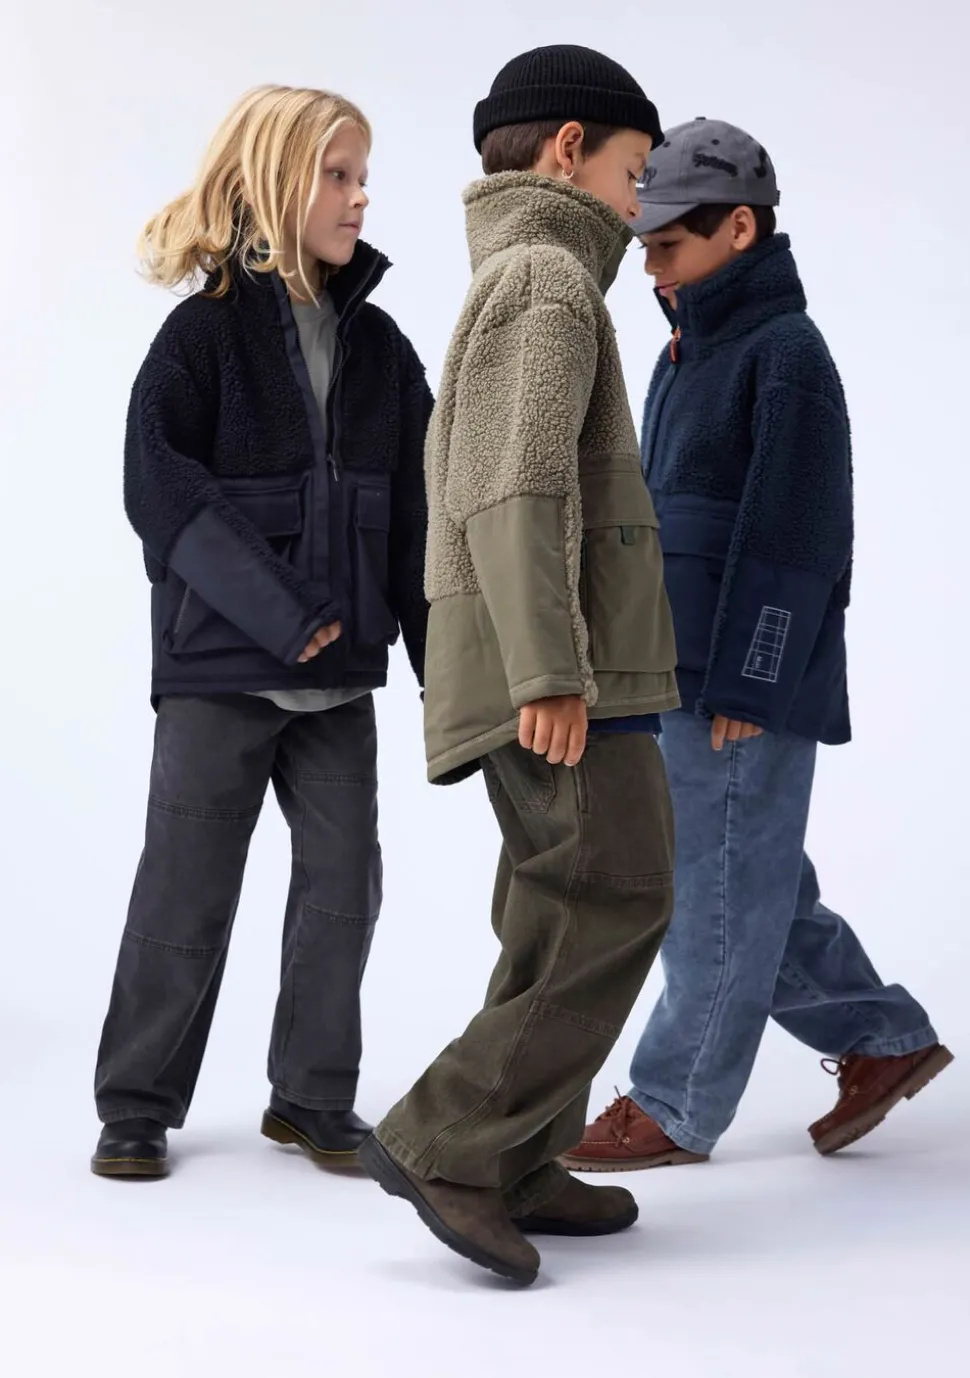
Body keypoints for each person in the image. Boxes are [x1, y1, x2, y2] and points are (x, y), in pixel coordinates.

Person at [564, 119, 952, 1174]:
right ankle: (882, 1036)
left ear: (740, 228)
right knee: (745, 879)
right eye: (644, 246)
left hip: (736, 686)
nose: (650, 268)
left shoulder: (785, 355)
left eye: (668, 246)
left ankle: (675, 1101)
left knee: (712, 891)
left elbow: (800, 537)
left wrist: (753, 681)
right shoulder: (686, 352)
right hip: (677, 672)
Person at [357, 46, 679, 1286]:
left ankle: (519, 1157)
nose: (639, 204)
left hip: (568, 658)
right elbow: (515, 484)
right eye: (633, 172)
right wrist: (551, 670)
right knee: (616, 891)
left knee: (557, 908)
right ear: (566, 150)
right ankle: (447, 1143)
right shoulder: (544, 278)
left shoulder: (532, 277)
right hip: (559, 669)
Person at [91, 85, 431, 1180]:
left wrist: (447, 672)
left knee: (345, 883)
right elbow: (157, 487)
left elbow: (420, 522)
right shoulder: (202, 336)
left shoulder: (381, 348)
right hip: (219, 670)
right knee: (185, 888)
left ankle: (312, 1096)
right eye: (337, 175)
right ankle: (136, 1104)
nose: (359, 197)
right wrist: (284, 614)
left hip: (340, 682)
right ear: (275, 182)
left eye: (363, 177)